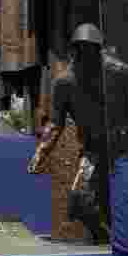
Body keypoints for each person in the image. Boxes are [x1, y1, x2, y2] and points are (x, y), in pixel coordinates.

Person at [27, 24, 117, 244]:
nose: (86, 54)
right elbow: (55, 124)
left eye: (91, 49)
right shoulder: (65, 82)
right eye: (81, 49)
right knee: (79, 198)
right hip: (93, 149)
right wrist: (41, 152)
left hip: (119, 144)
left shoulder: (113, 73)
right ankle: (104, 235)